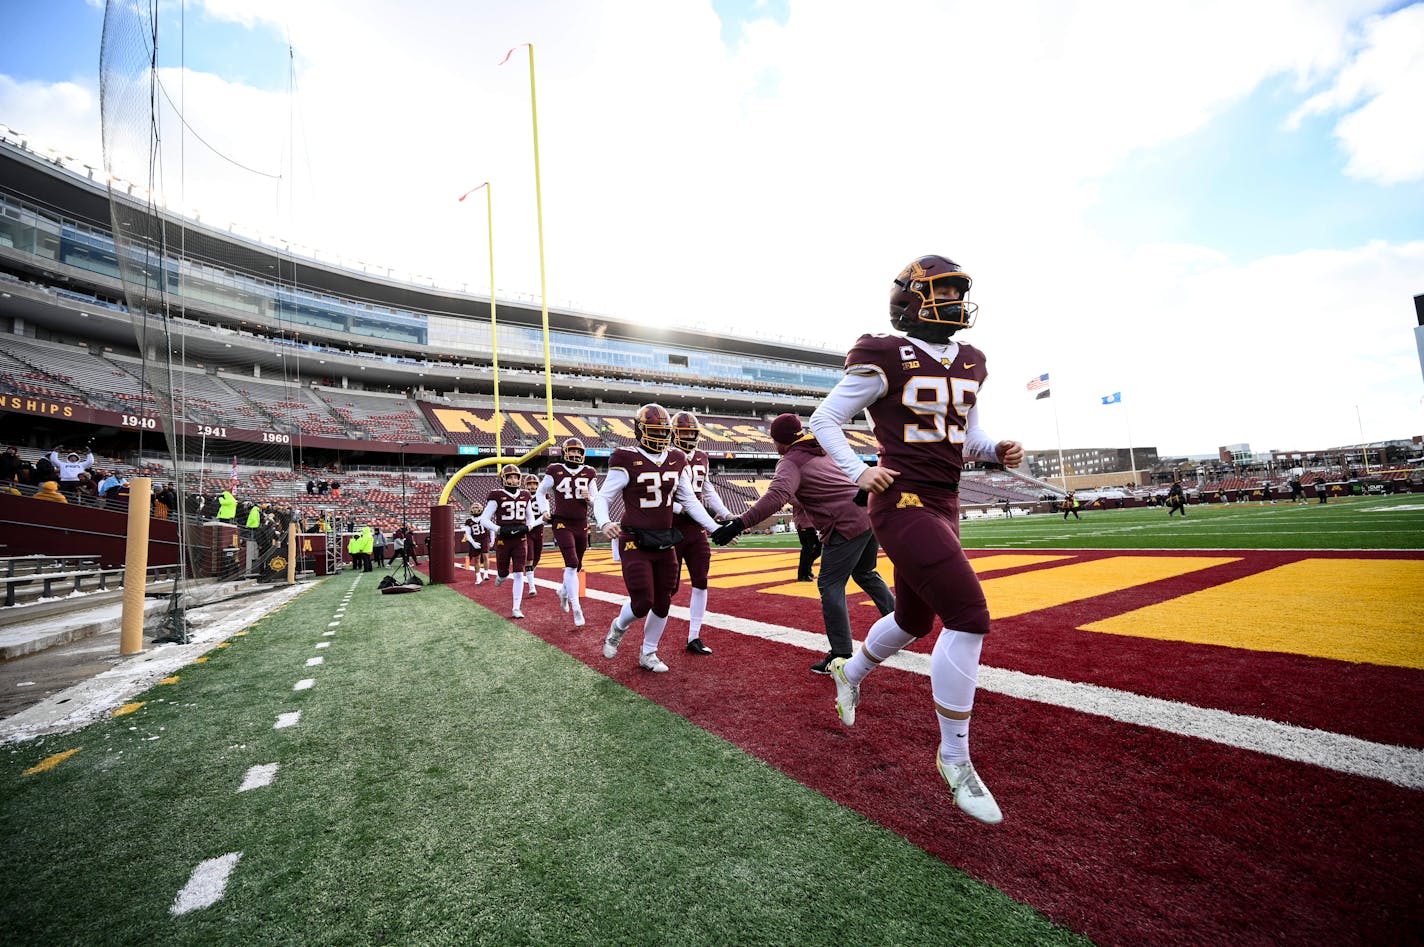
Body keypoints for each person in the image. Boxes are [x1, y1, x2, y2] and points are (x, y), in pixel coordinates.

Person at [807, 254, 1022, 825]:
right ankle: (955, 759)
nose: (953, 302)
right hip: (901, 500)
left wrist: (996, 450)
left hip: (945, 498)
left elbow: (967, 436)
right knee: (969, 616)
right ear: (910, 298)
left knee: (913, 619)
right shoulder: (883, 352)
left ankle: (847, 673)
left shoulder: (973, 360)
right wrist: (858, 470)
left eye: (957, 291)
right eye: (942, 291)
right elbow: (824, 419)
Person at [711, 413, 895, 674]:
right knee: (865, 572)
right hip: (867, 513)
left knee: (830, 585)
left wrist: (740, 523)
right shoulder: (823, 448)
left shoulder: (791, 461)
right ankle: (899, 625)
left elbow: (776, 496)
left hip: (844, 523)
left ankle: (841, 654)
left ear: (781, 442)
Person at [593, 403, 721, 673]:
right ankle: (618, 627)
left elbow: (691, 501)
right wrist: (603, 522)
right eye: (654, 431)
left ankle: (648, 653)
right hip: (634, 539)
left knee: (664, 600)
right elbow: (604, 497)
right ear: (640, 431)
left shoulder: (677, 458)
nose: (660, 436)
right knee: (642, 601)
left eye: (664, 431)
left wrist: (715, 528)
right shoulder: (625, 458)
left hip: (665, 540)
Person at [668, 410, 734, 656]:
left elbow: (706, 490)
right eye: (683, 433)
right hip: (671, 527)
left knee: (701, 581)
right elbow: (659, 496)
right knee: (669, 587)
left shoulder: (702, 457)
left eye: (691, 433)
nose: (687, 437)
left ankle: (694, 636)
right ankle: (652, 638)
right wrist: (680, 508)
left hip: (695, 529)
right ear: (673, 434)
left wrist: (726, 514)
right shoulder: (668, 456)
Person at [537, 437, 599, 627]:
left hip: (581, 523)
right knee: (571, 563)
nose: (575, 454)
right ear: (565, 453)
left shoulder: (589, 472)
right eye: (571, 451)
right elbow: (541, 492)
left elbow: (596, 501)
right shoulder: (555, 470)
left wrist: (589, 499)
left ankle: (563, 593)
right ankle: (576, 607)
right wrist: (544, 510)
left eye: (578, 452)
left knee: (576, 566)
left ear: (583, 454)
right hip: (562, 522)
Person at [478, 464, 539, 618]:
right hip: (504, 539)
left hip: (520, 538)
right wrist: (498, 529)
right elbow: (484, 519)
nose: (513, 479)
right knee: (504, 573)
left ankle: (516, 607)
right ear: (503, 478)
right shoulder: (497, 495)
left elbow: (530, 515)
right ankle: (500, 577)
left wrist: (529, 526)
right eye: (510, 476)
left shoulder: (525, 494)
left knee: (519, 573)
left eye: (515, 477)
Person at [522, 473, 547, 597]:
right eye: (530, 484)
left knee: (537, 557)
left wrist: (532, 523)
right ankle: (532, 586)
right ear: (525, 485)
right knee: (530, 557)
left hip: (538, 529)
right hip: (527, 531)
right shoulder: (521, 496)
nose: (532, 486)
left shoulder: (542, 495)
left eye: (535, 484)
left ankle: (529, 573)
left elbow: (545, 515)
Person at [792, 498, 821, 581]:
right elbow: (795, 501)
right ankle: (803, 574)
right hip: (804, 525)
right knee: (807, 550)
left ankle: (807, 568)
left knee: (819, 547)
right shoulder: (796, 494)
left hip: (810, 525)